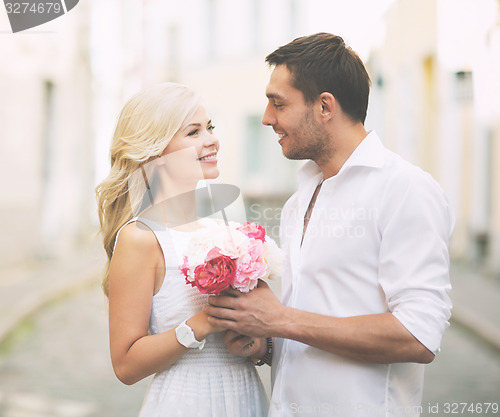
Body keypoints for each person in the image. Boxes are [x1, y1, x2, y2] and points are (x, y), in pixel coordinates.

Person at [204, 33, 454, 417]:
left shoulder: (405, 189)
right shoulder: (298, 200)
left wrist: (281, 319)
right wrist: (265, 344)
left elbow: (418, 336)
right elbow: (308, 325)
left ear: (325, 106)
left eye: (278, 103)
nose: (267, 118)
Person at [95, 82, 268, 417]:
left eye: (210, 127)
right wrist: (201, 324)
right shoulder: (141, 238)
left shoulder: (222, 228)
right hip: (187, 401)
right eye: (193, 132)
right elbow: (126, 365)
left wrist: (254, 340)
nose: (211, 139)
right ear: (157, 153)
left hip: (245, 397)